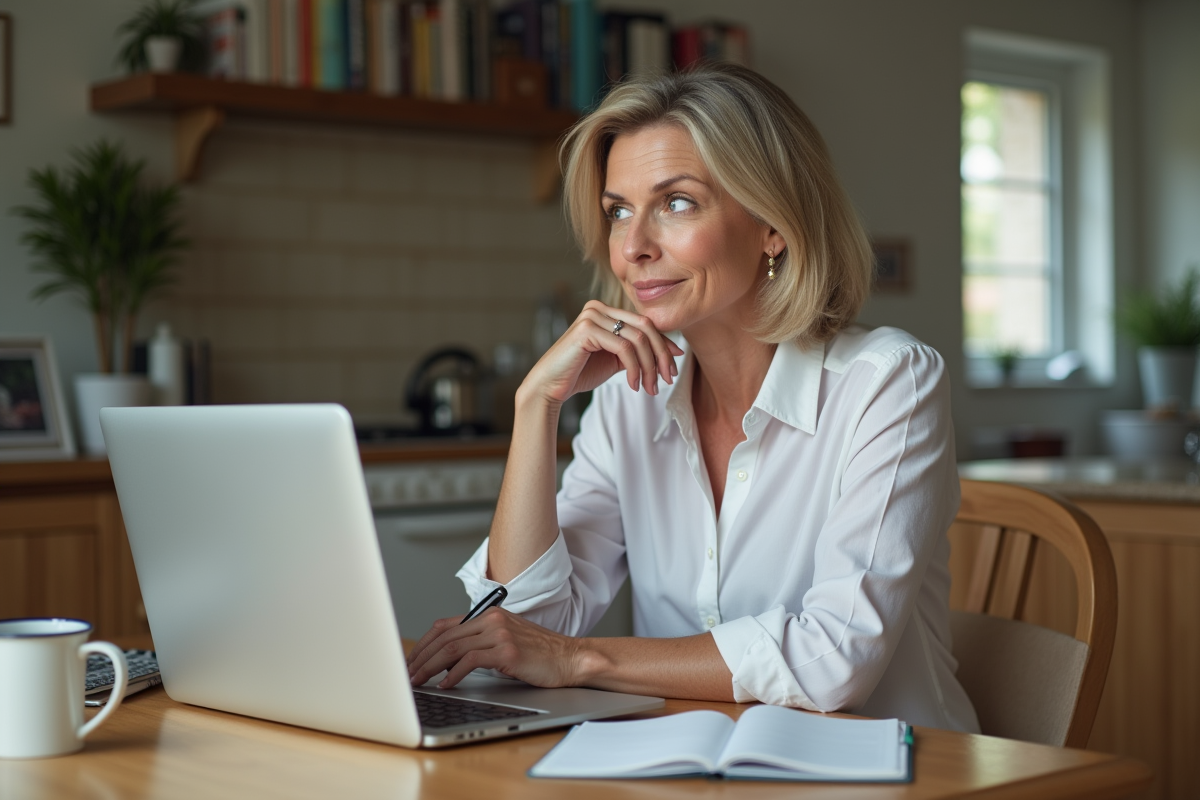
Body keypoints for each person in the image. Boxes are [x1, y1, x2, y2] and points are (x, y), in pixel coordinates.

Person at [407, 63, 980, 733]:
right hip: (691, 768)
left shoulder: (887, 383)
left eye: (676, 202)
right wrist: (537, 406)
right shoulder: (631, 396)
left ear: (774, 223)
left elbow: (835, 656)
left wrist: (581, 659)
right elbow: (523, 628)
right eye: (618, 211)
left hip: (894, 771)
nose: (633, 247)